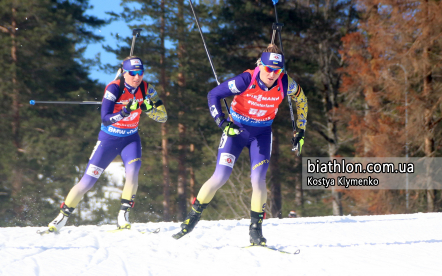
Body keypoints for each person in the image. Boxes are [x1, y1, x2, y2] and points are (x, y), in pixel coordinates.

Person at [172, 45, 307, 245]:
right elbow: (213, 95)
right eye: (269, 68)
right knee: (221, 176)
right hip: (236, 131)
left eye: (277, 70)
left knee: (258, 180)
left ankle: (255, 230)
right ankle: (192, 218)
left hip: (261, 134)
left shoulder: (286, 83)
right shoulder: (246, 80)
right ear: (261, 65)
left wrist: (300, 129)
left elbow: (302, 100)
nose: (272, 74)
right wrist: (223, 123)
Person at [47, 56, 167, 233]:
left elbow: (163, 116)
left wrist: (149, 109)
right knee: (87, 181)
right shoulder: (114, 88)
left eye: (140, 73)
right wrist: (125, 111)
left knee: (133, 173)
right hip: (109, 140)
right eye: (133, 73)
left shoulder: (147, 88)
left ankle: (123, 217)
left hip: (130, 139)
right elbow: (105, 118)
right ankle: (62, 217)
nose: (137, 77)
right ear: (124, 72)